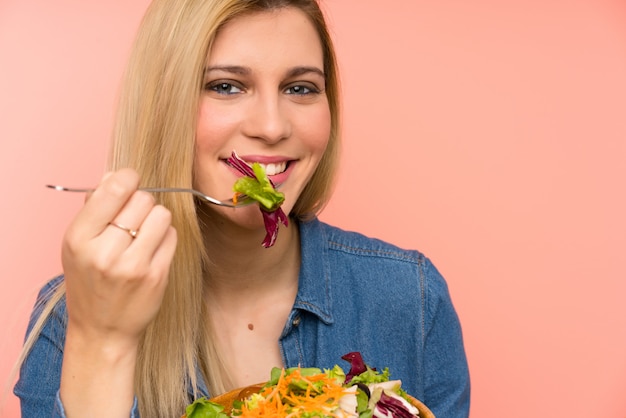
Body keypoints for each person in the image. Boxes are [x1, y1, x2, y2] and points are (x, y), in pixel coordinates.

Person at [13, 0, 471, 417]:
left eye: (300, 88)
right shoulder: (75, 319)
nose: (272, 127)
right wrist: (103, 342)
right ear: (163, 108)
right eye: (227, 86)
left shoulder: (409, 298)